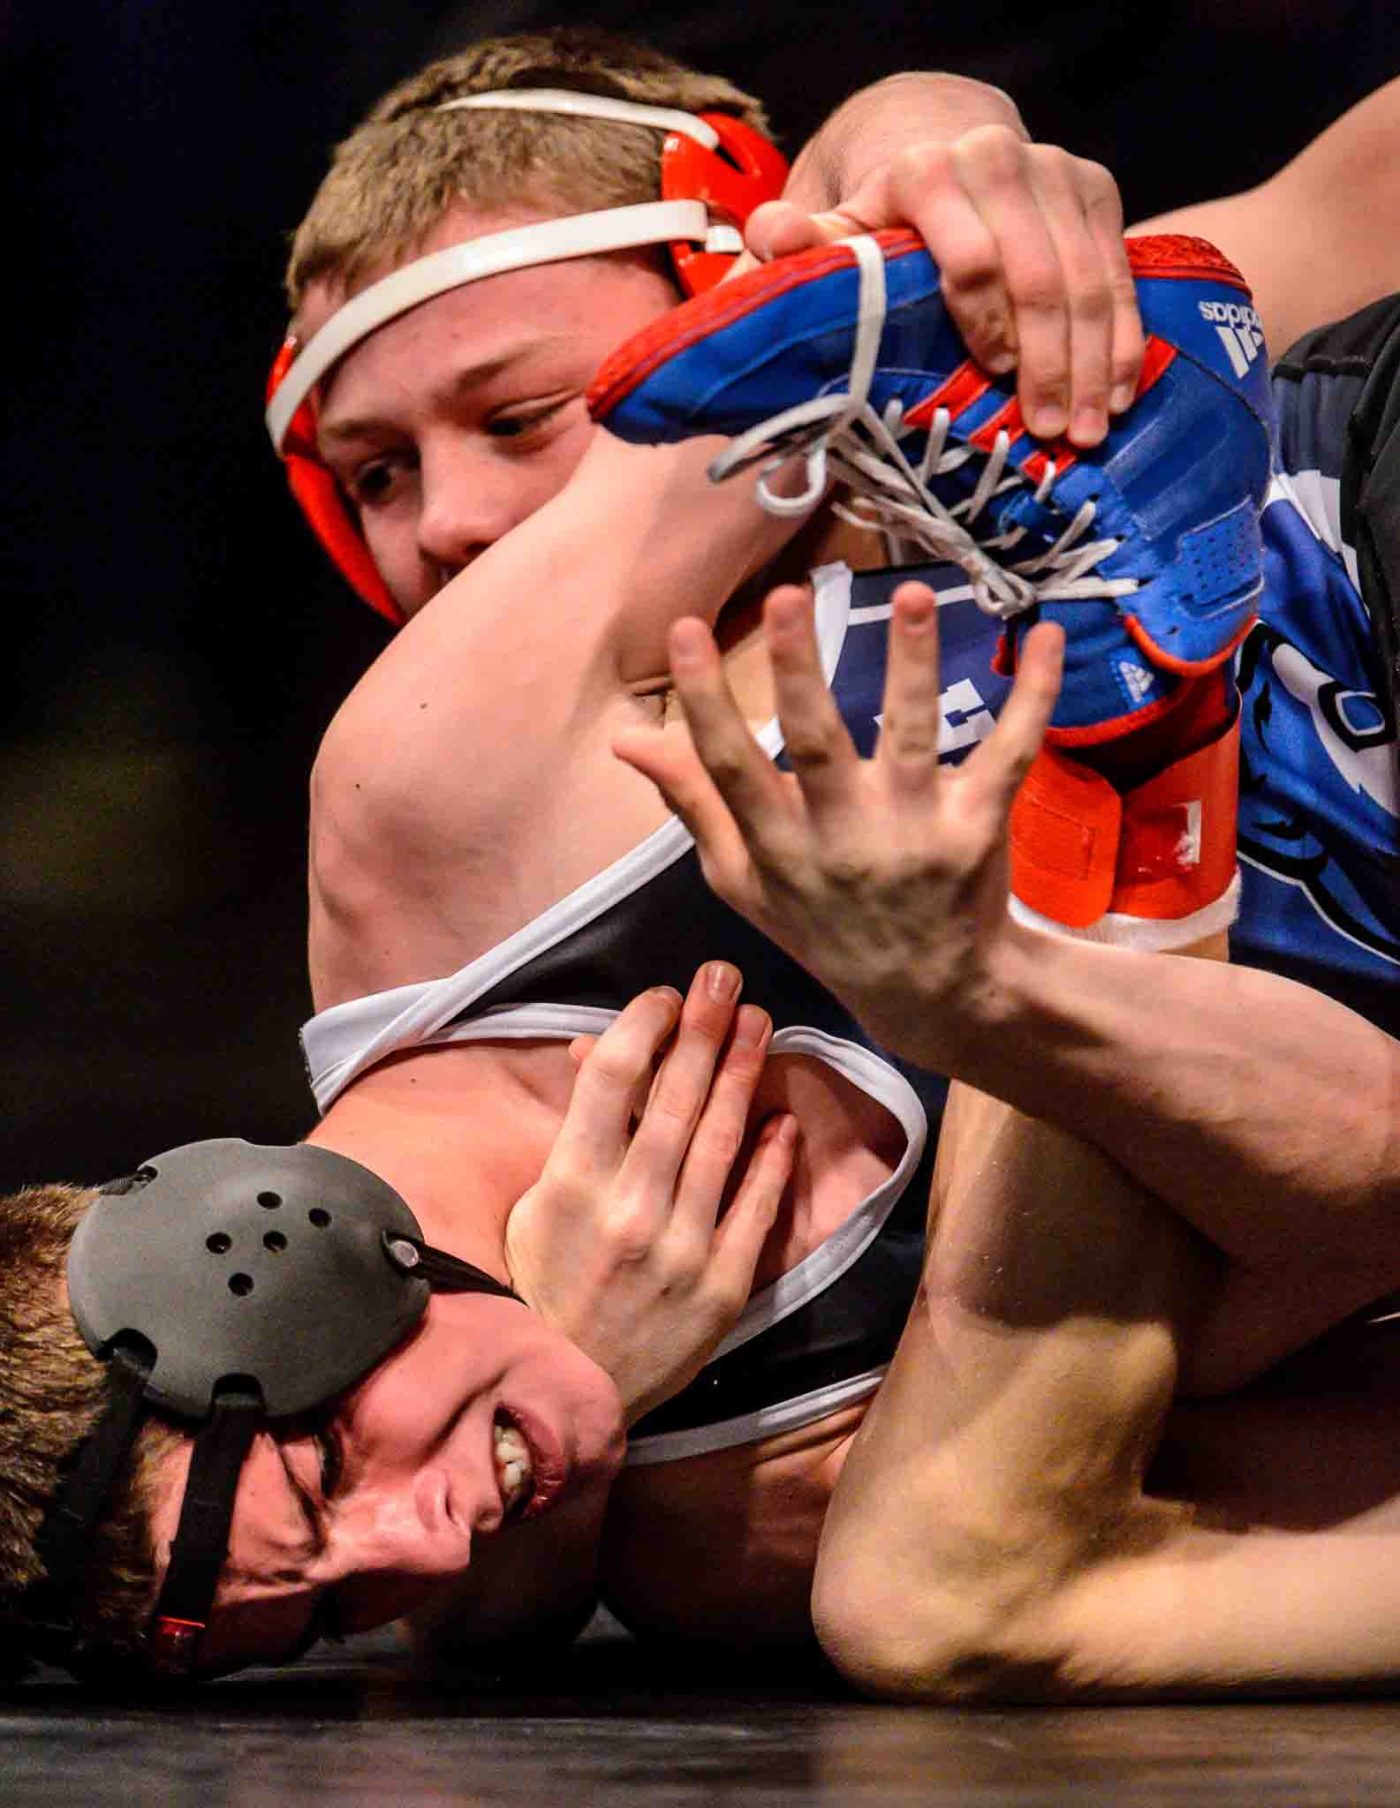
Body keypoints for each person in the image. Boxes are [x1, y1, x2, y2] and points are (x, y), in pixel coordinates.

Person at [5, 26, 1400, 1686]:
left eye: (517, 414)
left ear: (246, 1241)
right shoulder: (739, 1524)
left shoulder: (437, 803)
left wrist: (935, 139)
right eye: (325, 1618)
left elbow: (912, 235)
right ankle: (1109, 804)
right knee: (924, 1590)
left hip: (1349, 532)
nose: (453, 527)